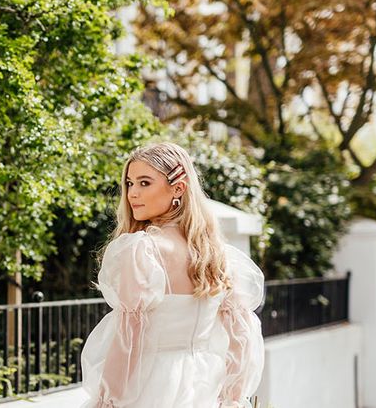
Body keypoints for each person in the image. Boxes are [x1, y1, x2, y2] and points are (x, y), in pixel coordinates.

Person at [79, 142, 265, 408]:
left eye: (145, 183)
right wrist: (232, 398)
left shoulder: (141, 250)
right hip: (205, 388)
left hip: (147, 388)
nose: (132, 194)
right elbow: (241, 337)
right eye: (129, 183)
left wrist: (108, 401)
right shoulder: (218, 256)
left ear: (178, 187)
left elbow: (129, 339)